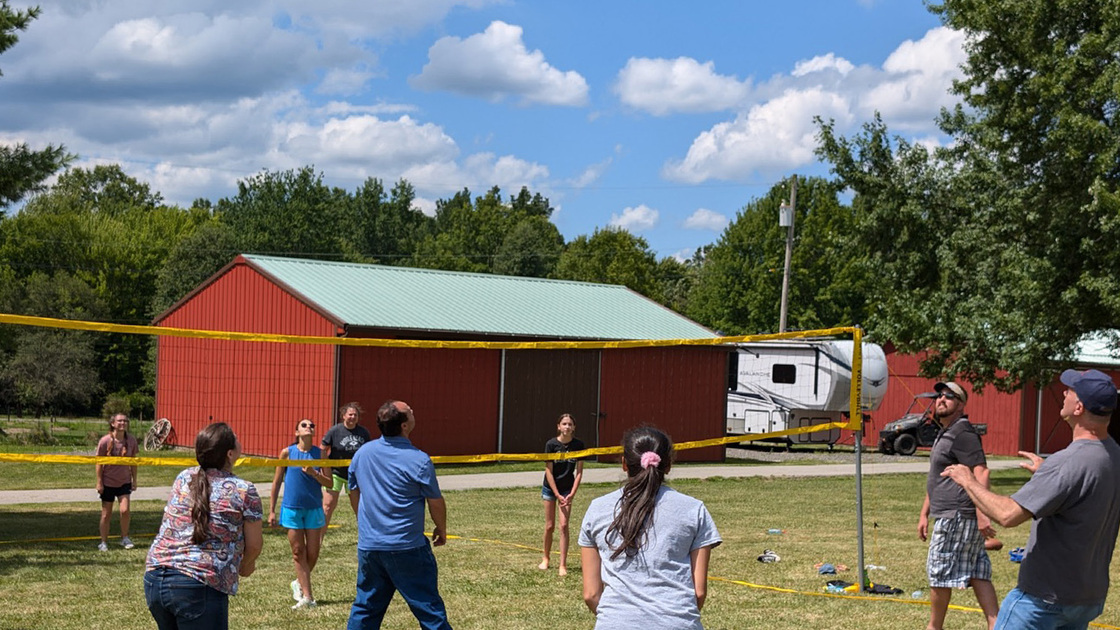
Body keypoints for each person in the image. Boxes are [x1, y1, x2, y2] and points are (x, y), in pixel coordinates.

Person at [943, 369, 1120, 630]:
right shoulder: (1113, 454)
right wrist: (1048, 476)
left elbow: (1007, 515)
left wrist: (968, 480)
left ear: (1079, 407)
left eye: (1069, 390)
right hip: (1087, 599)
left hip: (1043, 599)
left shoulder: (1067, 462)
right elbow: (1087, 491)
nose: (1063, 393)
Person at [579, 425, 721, 630]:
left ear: (624, 464)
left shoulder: (597, 509)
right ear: (669, 465)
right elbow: (698, 592)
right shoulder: (694, 510)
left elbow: (591, 595)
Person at [144, 422, 263, 630]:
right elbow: (254, 545)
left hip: (155, 578)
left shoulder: (183, 478)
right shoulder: (244, 490)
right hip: (198, 584)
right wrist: (247, 564)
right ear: (230, 453)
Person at [346, 400, 453, 630]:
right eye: (410, 411)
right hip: (407, 549)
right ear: (404, 425)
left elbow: (352, 489)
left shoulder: (363, 453)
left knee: (365, 610)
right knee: (429, 610)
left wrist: (362, 520)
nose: (414, 411)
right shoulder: (419, 459)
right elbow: (435, 501)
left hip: (370, 548)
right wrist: (441, 528)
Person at [917, 381, 999, 630]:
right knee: (978, 572)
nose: (941, 400)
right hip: (953, 515)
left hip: (957, 516)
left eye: (949, 397)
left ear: (961, 405)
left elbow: (981, 472)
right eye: (939, 396)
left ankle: (934, 627)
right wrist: (924, 514)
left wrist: (982, 513)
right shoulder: (947, 431)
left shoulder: (963, 432)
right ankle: (998, 625)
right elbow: (940, 475)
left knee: (938, 574)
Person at [269, 418, 333, 610]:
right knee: (298, 552)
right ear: (297, 432)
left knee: (313, 552)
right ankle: (308, 597)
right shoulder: (287, 452)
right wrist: (272, 510)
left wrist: (314, 473)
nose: (309, 427)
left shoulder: (320, 453)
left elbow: (329, 483)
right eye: (304, 425)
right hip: (291, 509)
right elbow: (277, 482)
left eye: (311, 425)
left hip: (313, 508)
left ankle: (298, 582)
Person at [538, 413, 585, 575]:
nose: (567, 427)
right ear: (558, 426)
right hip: (551, 488)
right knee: (549, 526)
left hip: (567, 489)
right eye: (564, 424)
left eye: (570, 424)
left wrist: (571, 493)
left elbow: (579, 472)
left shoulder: (579, 445)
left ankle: (562, 565)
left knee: (564, 526)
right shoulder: (551, 444)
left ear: (574, 427)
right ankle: (546, 558)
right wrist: (556, 494)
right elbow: (548, 472)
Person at [321, 402, 372, 534]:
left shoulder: (363, 432)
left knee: (358, 507)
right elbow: (322, 450)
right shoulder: (335, 431)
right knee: (327, 506)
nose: (353, 417)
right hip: (336, 473)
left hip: (355, 475)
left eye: (355, 415)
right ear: (343, 416)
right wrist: (324, 468)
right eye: (350, 414)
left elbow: (369, 452)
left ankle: (366, 535)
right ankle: (318, 537)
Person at [95, 413, 138, 551]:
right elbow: (98, 463)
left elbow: (133, 462)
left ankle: (125, 538)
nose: (123, 423)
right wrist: (99, 482)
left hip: (124, 481)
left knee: (125, 510)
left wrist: (134, 480)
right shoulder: (104, 440)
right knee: (106, 514)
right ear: (113, 423)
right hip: (108, 482)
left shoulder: (131, 440)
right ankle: (103, 542)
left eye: (125, 421)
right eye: (120, 421)